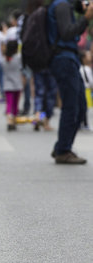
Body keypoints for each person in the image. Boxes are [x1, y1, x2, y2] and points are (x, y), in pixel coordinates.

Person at [48, 0, 93, 164]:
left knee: (80, 105)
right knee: (72, 106)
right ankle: (63, 150)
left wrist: (82, 11)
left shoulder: (64, 5)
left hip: (69, 59)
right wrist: (86, 18)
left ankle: (62, 145)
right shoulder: (61, 6)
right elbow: (67, 32)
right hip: (64, 60)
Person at [2, 40, 23, 131]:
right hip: (17, 84)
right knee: (15, 104)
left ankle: (9, 120)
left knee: (9, 103)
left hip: (7, 85)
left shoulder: (4, 59)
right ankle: (14, 120)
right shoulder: (18, 58)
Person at [79, 50, 92, 130]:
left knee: (83, 107)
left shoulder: (79, 68)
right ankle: (85, 123)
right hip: (86, 90)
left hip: (82, 89)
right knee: (85, 107)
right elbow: (90, 81)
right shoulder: (87, 69)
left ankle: (81, 123)